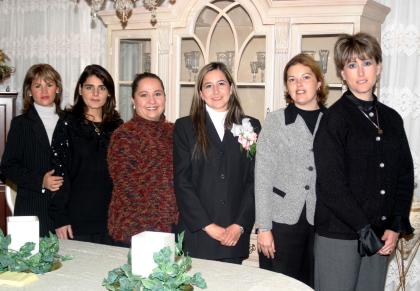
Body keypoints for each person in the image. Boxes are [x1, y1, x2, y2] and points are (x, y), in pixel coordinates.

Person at [313, 32, 414, 291]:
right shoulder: (334, 120)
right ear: (342, 73)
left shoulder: (392, 119)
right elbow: (331, 185)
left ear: (378, 68)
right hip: (340, 235)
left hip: (380, 235)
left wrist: (395, 225)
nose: (360, 72)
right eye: (352, 65)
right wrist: (363, 228)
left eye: (367, 63)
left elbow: (404, 176)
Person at [173, 62, 261, 264]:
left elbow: (254, 181)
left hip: (234, 236)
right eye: (208, 85)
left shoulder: (250, 126)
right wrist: (208, 226)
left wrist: (239, 225)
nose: (216, 91)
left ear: (231, 88)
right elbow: (182, 182)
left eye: (221, 83)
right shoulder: (185, 127)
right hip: (198, 235)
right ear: (201, 93)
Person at [255, 53, 327, 287]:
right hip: (281, 222)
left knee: (312, 284)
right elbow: (262, 178)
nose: (298, 84)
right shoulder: (275, 121)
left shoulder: (333, 121)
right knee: (279, 285)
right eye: (292, 79)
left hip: (322, 223)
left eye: (305, 77)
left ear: (318, 83)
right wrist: (263, 228)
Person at [49, 64, 123, 244]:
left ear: (109, 93)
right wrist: (60, 218)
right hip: (76, 220)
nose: (96, 94)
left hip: (112, 220)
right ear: (80, 90)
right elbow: (60, 173)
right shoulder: (67, 124)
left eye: (102, 88)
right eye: (90, 87)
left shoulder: (118, 127)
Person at [107, 72, 178, 246]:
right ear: (133, 100)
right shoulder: (125, 135)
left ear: (164, 98)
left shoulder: (175, 132)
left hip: (170, 229)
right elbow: (129, 189)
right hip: (135, 232)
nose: (152, 101)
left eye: (157, 94)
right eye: (144, 95)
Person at [1, 63, 67, 237]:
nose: (44, 91)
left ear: (58, 89)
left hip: (65, 212)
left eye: (49, 85)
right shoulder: (20, 124)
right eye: (38, 86)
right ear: (29, 91)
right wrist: (41, 181)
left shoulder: (69, 122)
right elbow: (7, 167)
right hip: (32, 208)